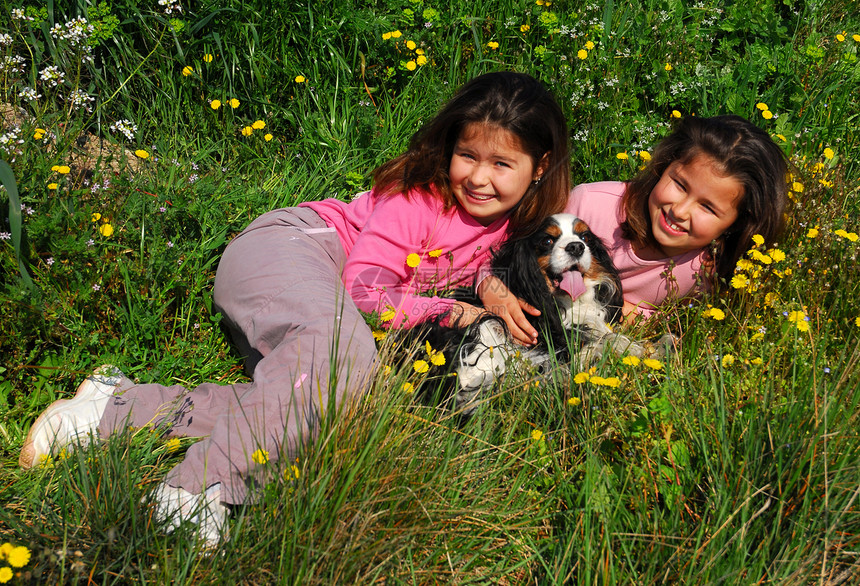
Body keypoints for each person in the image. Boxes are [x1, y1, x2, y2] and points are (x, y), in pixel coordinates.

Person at [18, 72, 571, 545]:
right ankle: (197, 489)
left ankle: (114, 410)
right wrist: (452, 311)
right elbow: (365, 291)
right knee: (340, 355)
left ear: (540, 166)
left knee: (347, 401)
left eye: (502, 163)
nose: (478, 176)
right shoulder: (420, 197)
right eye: (468, 155)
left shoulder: (516, 226)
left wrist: (490, 285)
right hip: (294, 248)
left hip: (324, 300)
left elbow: (467, 261)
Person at [482, 114, 788, 331]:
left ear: (735, 224)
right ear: (663, 166)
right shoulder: (589, 204)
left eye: (708, 207)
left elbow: (647, 319)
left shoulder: (703, 274)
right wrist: (490, 285)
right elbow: (501, 249)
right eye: (680, 185)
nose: (680, 211)